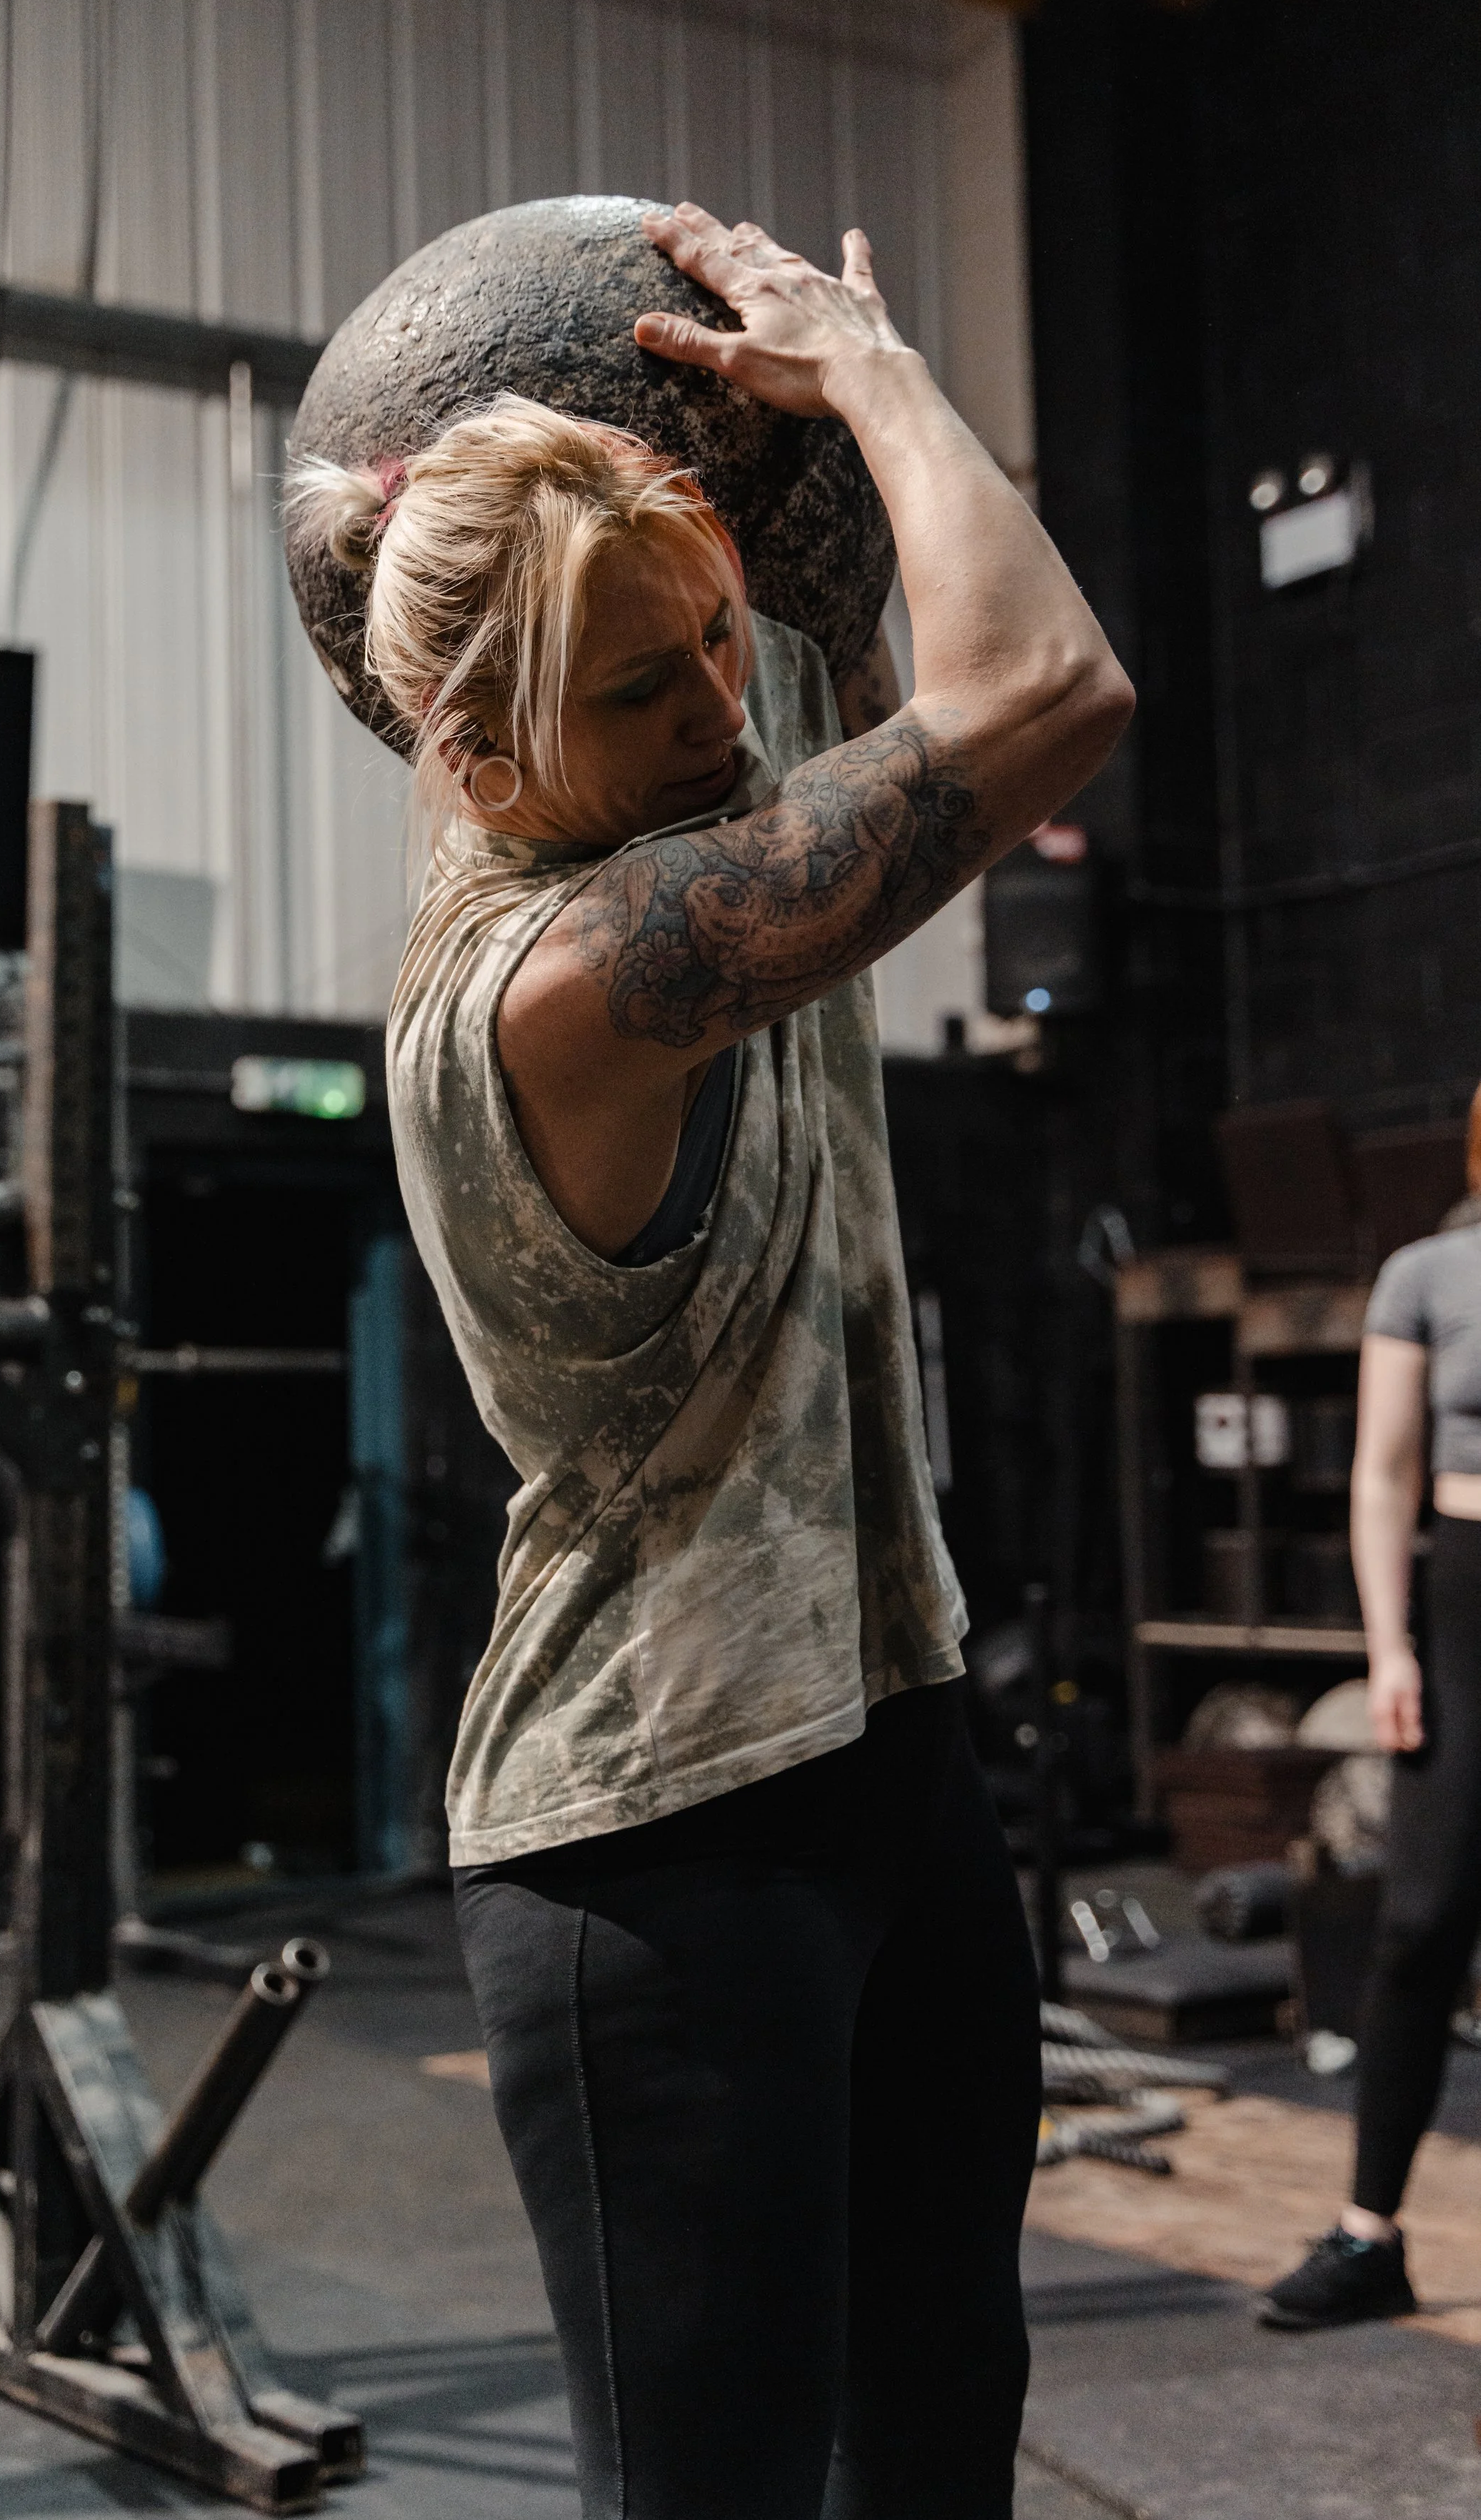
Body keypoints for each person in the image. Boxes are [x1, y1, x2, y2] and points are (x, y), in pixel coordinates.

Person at [289, 203, 1132, 2519]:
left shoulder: (711, 819)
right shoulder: (574, 977)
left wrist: (802, 470)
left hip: (897, 1748)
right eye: (646, 689)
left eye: (711, 644)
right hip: (662, 1838)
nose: (721, 713)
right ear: (470, 750)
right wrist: (867, 369)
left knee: (943, 2448)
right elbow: (1049, 694)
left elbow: (912, 639)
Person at [1261, 1090, 1481, 2332]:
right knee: (1424, 1918)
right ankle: (1369, 2232)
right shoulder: (1430, 1271)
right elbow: (1384, 1471)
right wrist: (1391, 1646)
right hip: (1467, 1608)